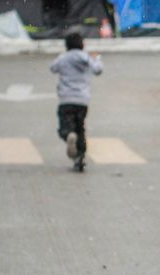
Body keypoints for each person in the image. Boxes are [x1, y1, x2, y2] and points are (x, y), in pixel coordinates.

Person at [50, 32, 102, 172]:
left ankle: (68, 135)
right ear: (82, 44)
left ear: (66, 45)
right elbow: (98, 70)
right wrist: (97, 58)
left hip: (66, 99)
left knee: (65, 128)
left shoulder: (63, 57)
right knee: (80, 129)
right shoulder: (86, 57)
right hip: (82, 100)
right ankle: (80, 158)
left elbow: (53, 68)